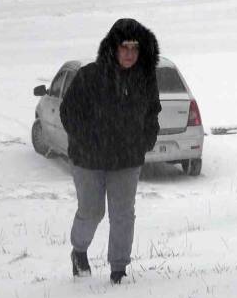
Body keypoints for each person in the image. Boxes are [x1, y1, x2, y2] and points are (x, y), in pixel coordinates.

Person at [60, 18, 161, 284]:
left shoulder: (145, 79)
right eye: (124, 47)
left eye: (135, 48)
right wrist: (87, 140)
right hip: (88, 159)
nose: (129, 53)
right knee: (92, 211)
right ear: (112, 48)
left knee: (123, 214)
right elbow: (68, 112)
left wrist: (146, 139)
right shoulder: (89, 76)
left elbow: (153, 112)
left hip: (127, 158)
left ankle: (119, 269)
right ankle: (79, 251)